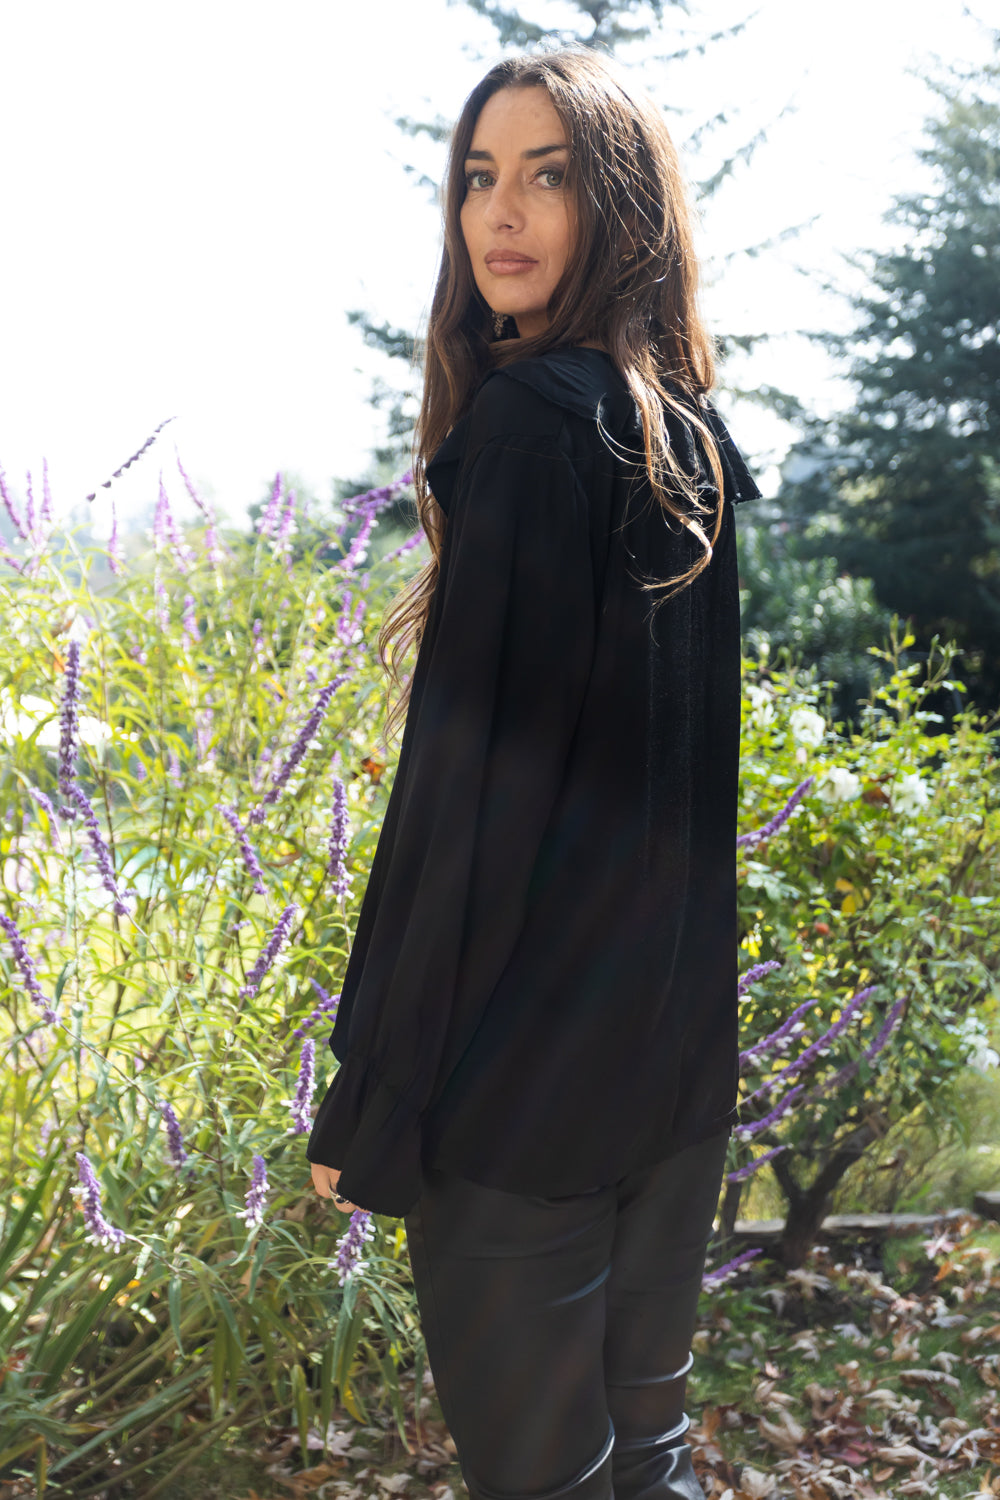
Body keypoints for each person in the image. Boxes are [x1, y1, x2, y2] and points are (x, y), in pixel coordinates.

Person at [308, 45, 762, 1500]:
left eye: (549, 176)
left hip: (522, 1104)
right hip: (671, 1079)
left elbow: (465, 812)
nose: (500, 214)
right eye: (478, 178)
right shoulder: (684, 436)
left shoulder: (527, 432)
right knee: (647, 1467)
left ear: (618, 205)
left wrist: (374, 1096)